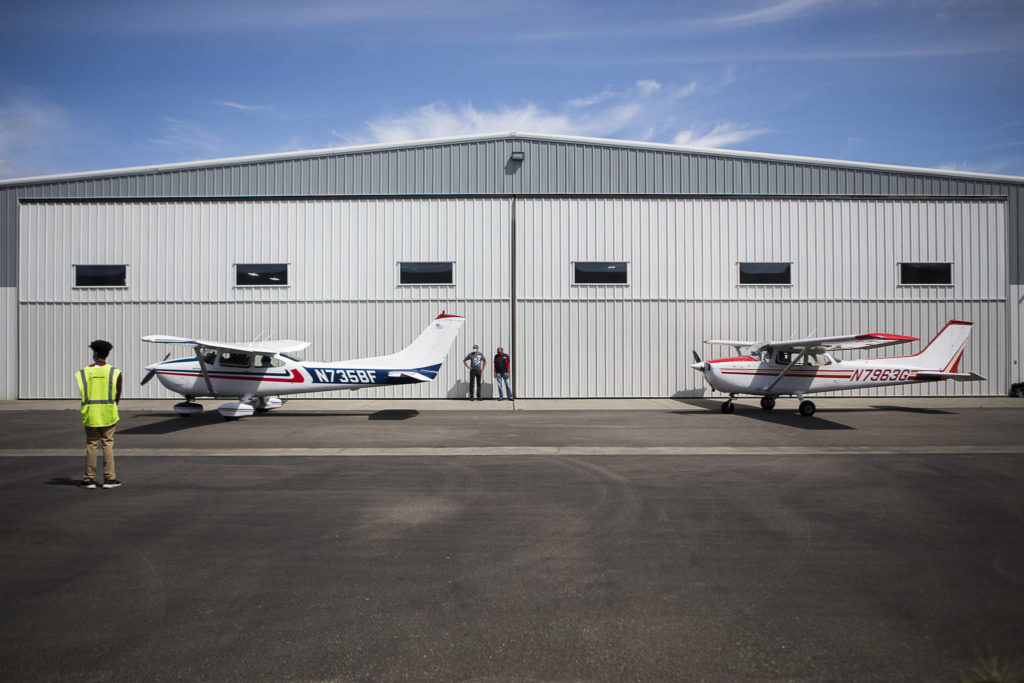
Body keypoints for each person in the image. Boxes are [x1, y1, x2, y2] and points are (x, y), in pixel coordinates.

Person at [76, 339, 123, 489]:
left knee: (91, 445)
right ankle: (109, 479)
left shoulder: (84, 372)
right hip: (108, 414)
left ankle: (89, 479)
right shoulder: (114, 372)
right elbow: (117, 395)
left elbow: (83, 392)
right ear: (107, 354)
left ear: (95, 353)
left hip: (90, 414)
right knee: (107, 445)